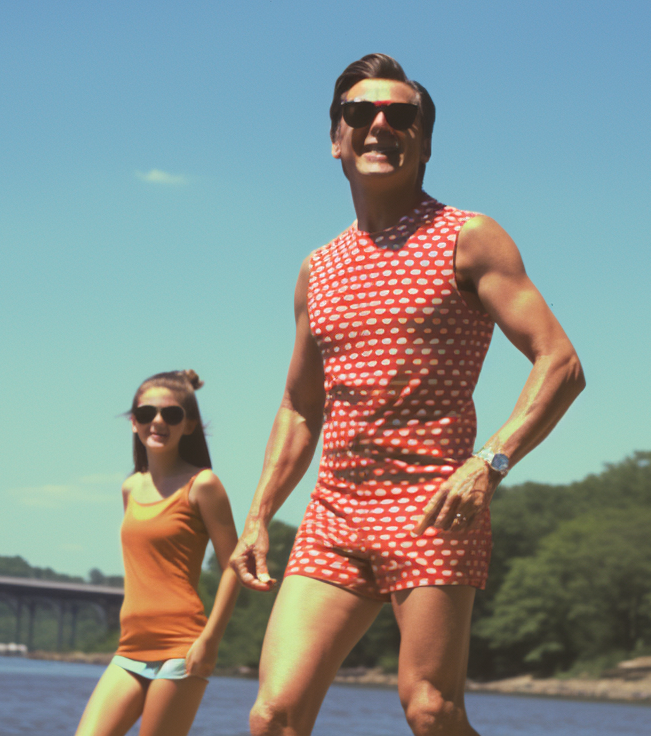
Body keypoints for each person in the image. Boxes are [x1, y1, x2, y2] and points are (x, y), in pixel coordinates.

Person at [231, 53, 585, 736]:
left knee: (429, 709)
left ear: (424, 141)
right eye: (360, 113)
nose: (380, 125)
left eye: (402, 115)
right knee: (272, 715)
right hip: (335, 511)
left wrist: (491, 463)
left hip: (433, 505)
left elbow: (560, 362)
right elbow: (301, 405)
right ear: (336, 137)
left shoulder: (469, 237)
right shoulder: (318, 269)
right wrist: (258, 516)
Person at [73, 370, 242, 736]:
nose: (159, 422)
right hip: (130, 646)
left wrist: (209, 641)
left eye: (173, 414)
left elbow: (234, 566)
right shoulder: (130, 488)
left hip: (182, 646)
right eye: (147, 413)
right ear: (134, 422)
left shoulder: (204, 485)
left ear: (191, 424)